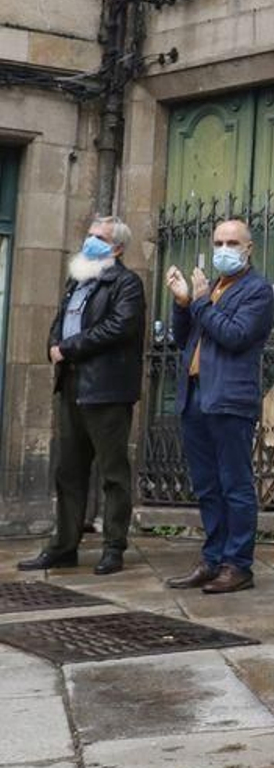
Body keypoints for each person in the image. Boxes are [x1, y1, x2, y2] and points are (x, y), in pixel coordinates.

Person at [19, 216, 147, 575]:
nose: (90, 241)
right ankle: (63, 546)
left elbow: (118, 327)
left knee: (112, 473)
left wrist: (68, 348)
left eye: (99, 238)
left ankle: (114, 546)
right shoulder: (78, 279)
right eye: (89, 235)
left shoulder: (126, 283)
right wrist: (53, 346)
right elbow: (59, 321)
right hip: (72, 384)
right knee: (68, 471)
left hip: (106, 389)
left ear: (117, 248)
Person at [163, 218, 274, 595]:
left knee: (235, 485)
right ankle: (212, 559)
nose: (224, 249)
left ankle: (237, 564)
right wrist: (182, 305)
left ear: (249, 249)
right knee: (207, 486)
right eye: (218, 242)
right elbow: (184, 340)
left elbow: (235, 335)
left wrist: (197, 303)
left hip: (229, 399)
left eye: (232, 242)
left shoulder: (257, 291)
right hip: (195, 396)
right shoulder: (209, 288)